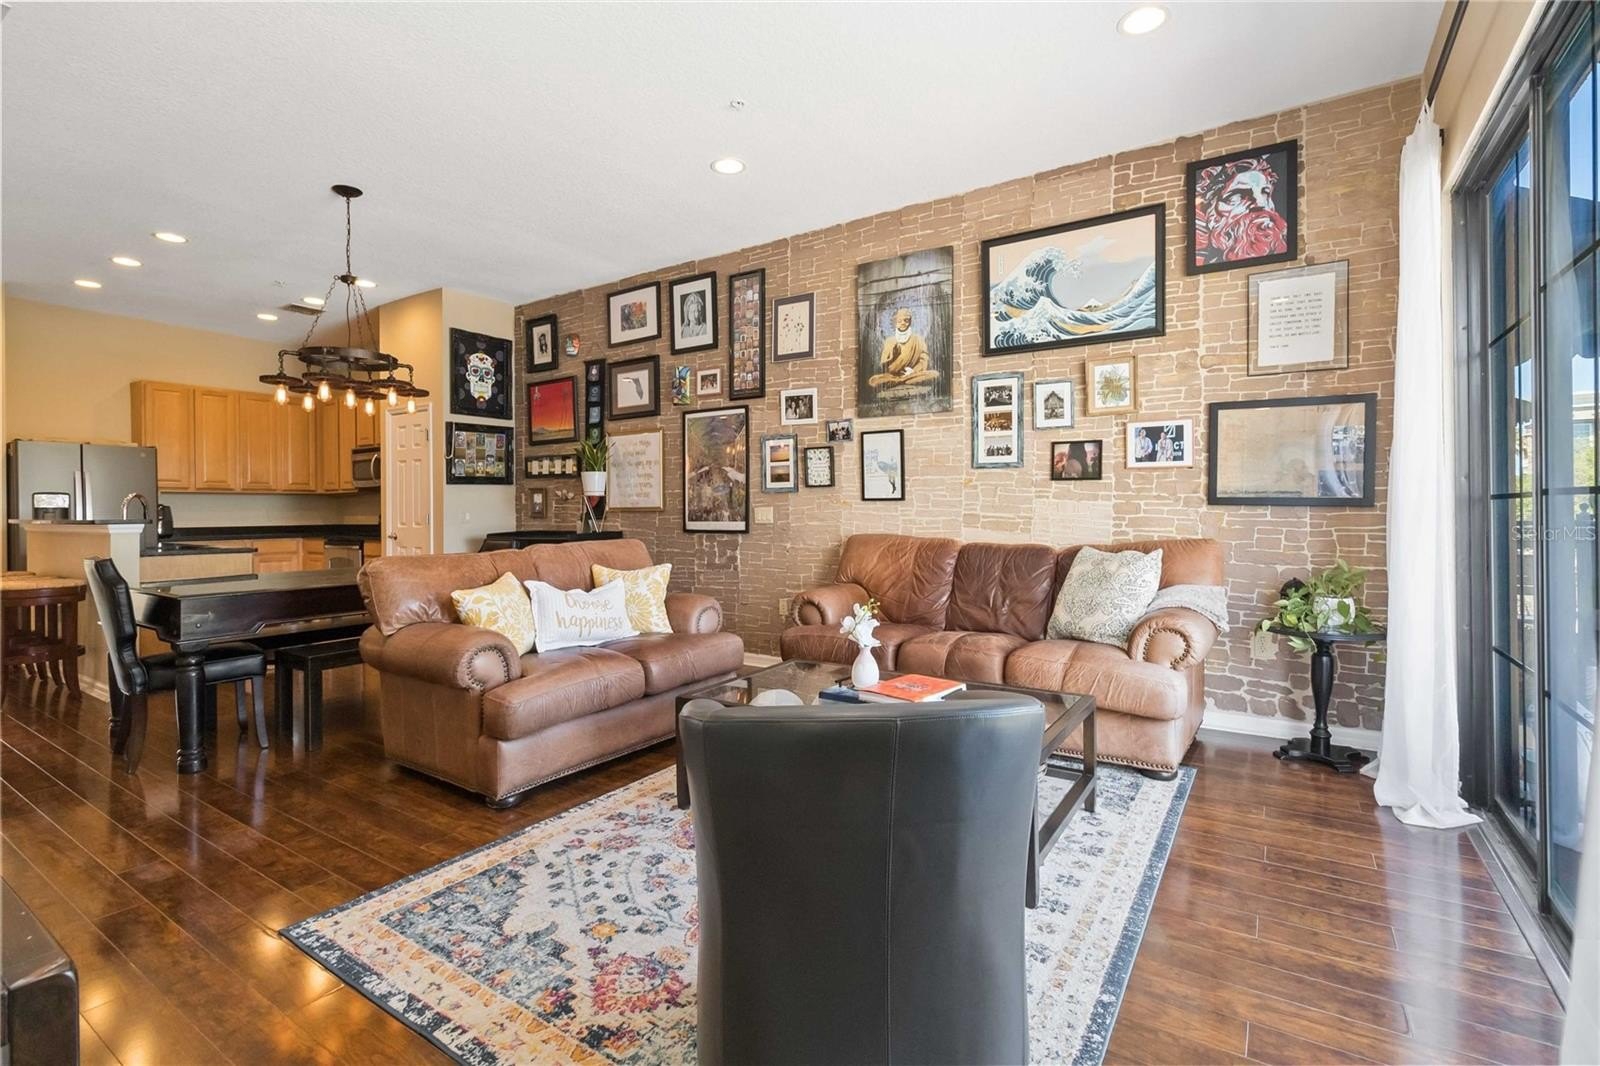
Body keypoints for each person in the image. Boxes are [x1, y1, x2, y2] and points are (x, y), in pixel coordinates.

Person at [869, 308, 939, 388]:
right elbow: (884, 366)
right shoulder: (889, 341)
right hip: (893, 376)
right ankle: (902, 381)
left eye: (906, 320)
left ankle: (899, 381)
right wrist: (893, 355)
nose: (903, 323)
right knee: (873, 380)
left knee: (935, 374)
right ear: (895, 323)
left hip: (913, 374)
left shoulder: (918, 339)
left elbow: (924, 360)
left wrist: (913, 371)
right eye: (899, 321)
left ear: (910, 322)